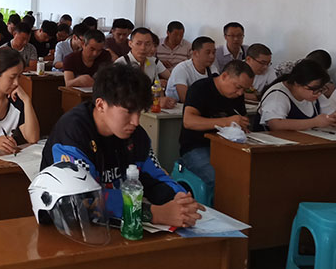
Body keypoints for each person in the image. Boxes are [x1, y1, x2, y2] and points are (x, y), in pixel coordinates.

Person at [41, 64, 202, 228]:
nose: (136, 121)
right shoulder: (73, 134)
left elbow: (155, 177)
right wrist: (153, 214)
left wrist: (180, 199)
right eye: (128, 112)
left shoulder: (136, 135)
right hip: (72, 228)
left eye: (139, 112)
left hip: (118, 225)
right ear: (101, 105)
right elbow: (83, 199)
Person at [179, 60, 254, 194]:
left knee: (249, 176)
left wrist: (242, 126)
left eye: (244, 89)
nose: (240, 93)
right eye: (238, 87)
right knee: (220, 180)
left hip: (227, 147)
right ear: (224, 76)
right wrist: (225, 121)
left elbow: (240, 119)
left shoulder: (236, 95)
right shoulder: (200, 88)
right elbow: (188, 121)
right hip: (197, 147)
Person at [257, 60, 336, 131]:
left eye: (321, 89)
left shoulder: (316, 94)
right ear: (297, 83)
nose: (319, 94)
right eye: (314, 89)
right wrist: (314, 122)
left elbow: (331, 114)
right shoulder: (278, 95)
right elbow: (275, 124)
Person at [165, 36, 218, 104]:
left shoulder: (213, 69)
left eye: (214, 52)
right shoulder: (182, 69)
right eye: (208, 53)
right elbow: (185, 98)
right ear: (195, 53)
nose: (212, 56)